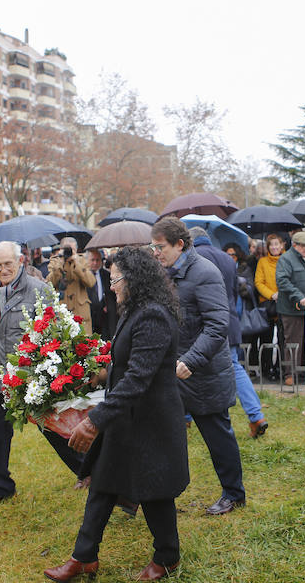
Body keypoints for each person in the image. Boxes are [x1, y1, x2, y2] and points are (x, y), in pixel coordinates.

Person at [45, 247, 189, 583]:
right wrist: (99, 373)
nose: (111, 286)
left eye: (116, 279)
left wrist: (94, 420)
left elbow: (139, 378)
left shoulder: (153, 316)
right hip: (126, 417)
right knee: (103, 484)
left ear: (135, 279)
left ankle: (167, 557)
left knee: (154, 490)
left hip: (150, 420)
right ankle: (84, 558)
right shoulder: (134, 310)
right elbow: (126, 364)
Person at [0, 242, 85, 504]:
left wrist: (44, 375)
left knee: (53, 430)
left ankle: (88, 471)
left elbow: (53, 334)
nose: (3, 269)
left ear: (20, 262)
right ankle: (1, 488)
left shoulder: (38, 290)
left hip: (31, 381)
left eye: (8, 263)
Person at [150, 217, 245, 516]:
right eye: (153, 246)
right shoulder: (164, 272)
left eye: (160, 246)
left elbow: (218, 326)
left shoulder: (205, 272)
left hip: (203, 372)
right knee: (164, 434)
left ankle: (234, 493)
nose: (156, 252)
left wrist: (190, 360)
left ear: (180, 244)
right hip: (172, 370)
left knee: (218, 436)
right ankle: (163, 494)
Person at [190, 228, 268, 438]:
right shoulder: (227, 258)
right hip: (229, 320)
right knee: (234, 367)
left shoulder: (194, 257)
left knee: (189, 366)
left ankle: (186, 419)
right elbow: (234, 292)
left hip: (203, 323)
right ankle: (256, 415)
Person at [275, 231, 305, 384]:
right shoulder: (286, 259)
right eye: (303, 246)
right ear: (294, 245)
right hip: (291, 309)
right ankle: (290, 374)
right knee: (293, 342)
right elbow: (282, 281)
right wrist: (299, 296)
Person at [47, 237, 96, 335]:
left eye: (72, 250)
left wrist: (77, 263)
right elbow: (50, 283)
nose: (69, 253)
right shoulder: (55, 261)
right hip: (62, 310)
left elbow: (91, 282)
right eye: (67, 250)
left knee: (83, 345)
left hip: (80, 310)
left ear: (77, 250)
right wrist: (60, 264)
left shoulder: (82, 261)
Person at [254, 233, 284, 379]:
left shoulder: (286, 260)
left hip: (284, 304)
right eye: (271, 245)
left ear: (282, 245)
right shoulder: (262, 262)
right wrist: (272, 295)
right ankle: (266, 368)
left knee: (282, 338)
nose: (274, 247)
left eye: (276, 244)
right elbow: (259, 282)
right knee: (266, 338)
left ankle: (280, 367)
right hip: (267, 304)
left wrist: (282, 294)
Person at [87, 248, 116, 341]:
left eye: (97, 260)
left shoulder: (106, 275)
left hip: (104, 316)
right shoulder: (83, 276)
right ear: (87, 260)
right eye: (92, 260)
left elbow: (110, 294)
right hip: (89, 314)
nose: (95, 263)